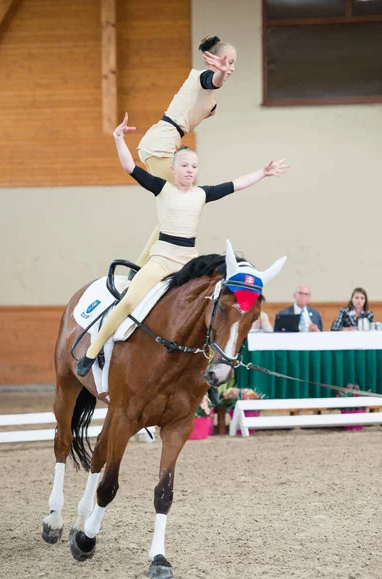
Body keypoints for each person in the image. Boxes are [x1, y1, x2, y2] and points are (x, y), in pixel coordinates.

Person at [76, 113, 289, 376]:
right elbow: (130, 167)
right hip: (162, 259)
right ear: (173, 169)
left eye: (193, 166)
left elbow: (235, 185)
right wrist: (119, 138)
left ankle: (211, 366)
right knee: (129, 302)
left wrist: (263, 173)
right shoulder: (162, 189)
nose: (189, 170)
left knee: (209, 309)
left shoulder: (202, 194)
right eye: (184, 166)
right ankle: (91, 352)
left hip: (189, 260)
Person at [134, 34, 237, 268]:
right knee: (178, 207)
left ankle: (146, 264)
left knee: (176, 208)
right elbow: (214, 80)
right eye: (228, 62)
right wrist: (219, 71)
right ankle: (144, 266)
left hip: (166, 141)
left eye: (232, 64)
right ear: (214, 61)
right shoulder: (202, 77)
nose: (231, 68)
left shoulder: (209, 97)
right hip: (162, 139)